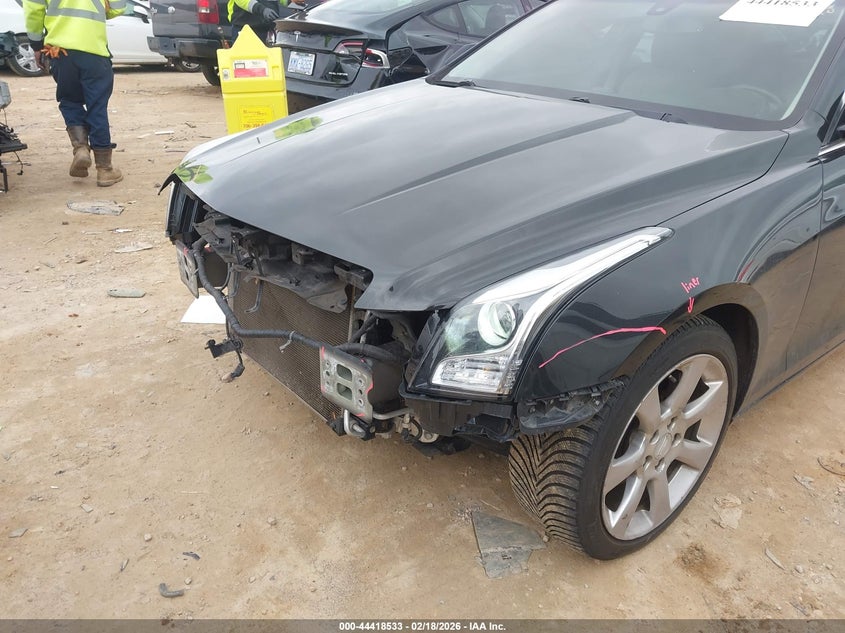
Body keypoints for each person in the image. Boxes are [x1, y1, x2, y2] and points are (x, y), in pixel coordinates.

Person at [23, 0, 126, 187]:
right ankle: (104, 169)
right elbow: (117, 7)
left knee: (70, 101)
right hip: (94, 51)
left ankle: (81, 149)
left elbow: (33, 9)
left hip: (60, 52)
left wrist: (36, 45)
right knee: (97, 107)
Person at [228, 0, 295, 42]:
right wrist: (262, 10)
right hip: (245, 27)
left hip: (267, 28)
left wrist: (291, 1)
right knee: (244, 57)